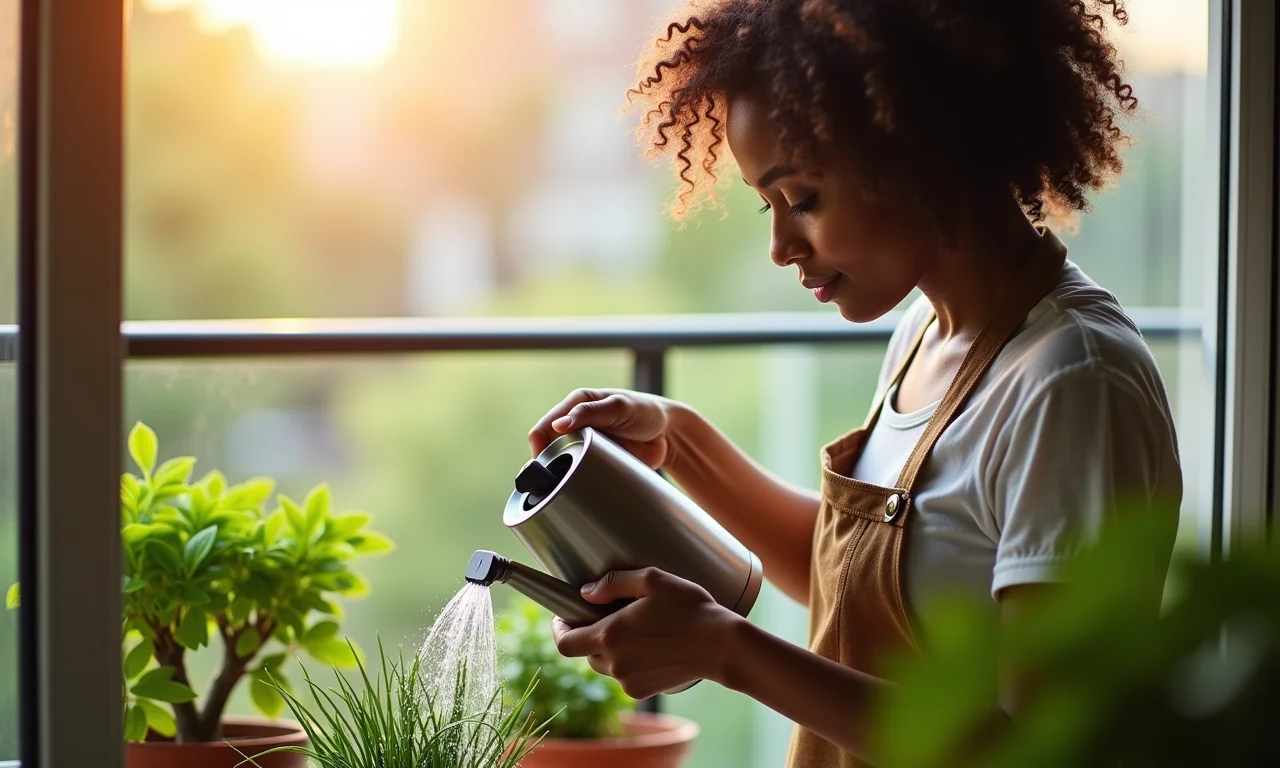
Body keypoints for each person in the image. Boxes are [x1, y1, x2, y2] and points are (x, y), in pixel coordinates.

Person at [527, 1, 1183, 765]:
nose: (779, 245)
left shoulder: (1073, 383)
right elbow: (857, 585)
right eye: (767, 205)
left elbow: (1038, 750)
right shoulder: (924, 335)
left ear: (923, 147)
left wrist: (727, 651)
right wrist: (680, 440)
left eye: (801, 198)